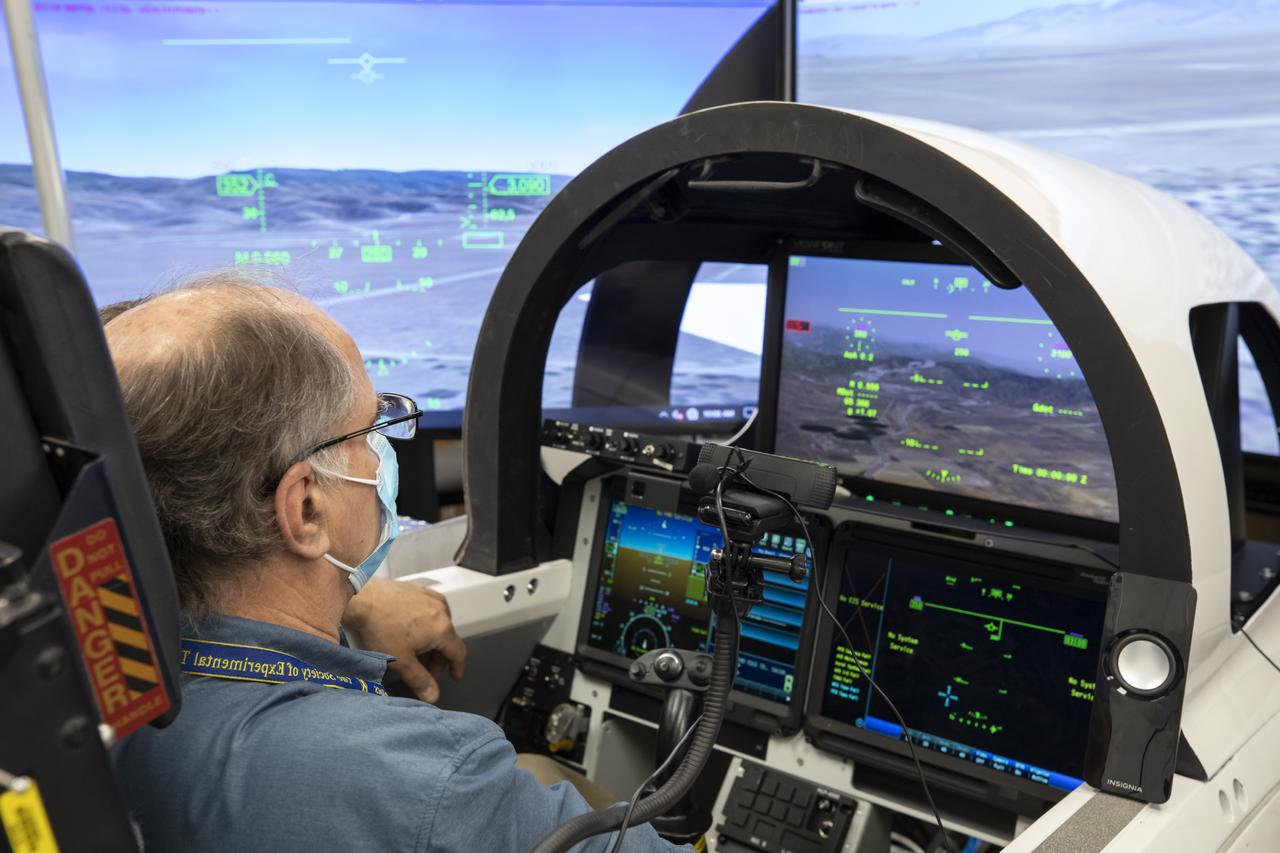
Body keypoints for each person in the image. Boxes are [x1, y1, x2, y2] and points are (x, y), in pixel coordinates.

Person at [105, 274, 682, 852]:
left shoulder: (74, 684)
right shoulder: (435, 782)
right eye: (372, 425)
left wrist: (364, 598)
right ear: (306, 508)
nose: (383, 450)